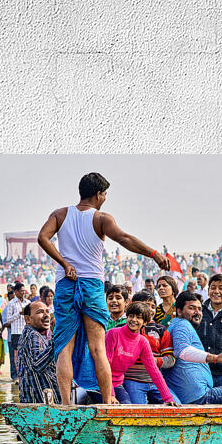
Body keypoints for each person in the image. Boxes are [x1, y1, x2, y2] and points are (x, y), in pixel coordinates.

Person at [36, 172, 170, 405]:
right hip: (91, 284)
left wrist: (65, 264)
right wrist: (154, 253)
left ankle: (66, 405)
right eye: (105, 194)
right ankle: (108, 400)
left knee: (64, 347)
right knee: (98, 347)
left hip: (66, 283)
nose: (105, 198)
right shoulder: (100, 218)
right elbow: (124, 238)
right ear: (98, 194)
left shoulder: (60, 214)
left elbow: (43, 238)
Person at [165, 291, 222, 405]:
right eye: (192, 308)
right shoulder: (182, 324)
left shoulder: (175, 325)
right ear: (179, 311)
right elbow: (182, 350)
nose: (197, 312)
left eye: (199, 309)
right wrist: (215, 358)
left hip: (196, 393)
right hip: (200, 397)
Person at [102, 302, 177, 405]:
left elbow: (154, 370)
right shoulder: (113, 334)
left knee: (128, 408)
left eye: (139, 317)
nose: (134, 320)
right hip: (100, 382)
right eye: (131, 316)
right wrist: (110, 394)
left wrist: (168, 398)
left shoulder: (142, 342)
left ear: (145, 322)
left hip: (116, 383)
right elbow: (105, 364)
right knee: (117, 409)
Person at [122, 291, 178, 404]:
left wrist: (153, 360)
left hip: (156, 381)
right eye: (146, 305)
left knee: (177, 406)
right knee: (139, 411)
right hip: (132, 380)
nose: (150, 310)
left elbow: (171, 359)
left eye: (153, 306)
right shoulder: (123, 330)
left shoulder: (161, 330)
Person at [17, 301, 60, 403]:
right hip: (39, 403)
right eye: (40, 312)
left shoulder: (32, 334)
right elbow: (37, 364)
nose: (46, 315)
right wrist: (55, 337)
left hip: (35, 401)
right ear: (28, 319)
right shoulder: (32, 335)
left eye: (47, 312)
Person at [1, 282, 29, 381]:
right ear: (16, 291)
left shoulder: (28, 302)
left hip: (26, 331)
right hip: (16, 332)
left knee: (26, 354)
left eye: (24, 291)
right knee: (16, 356)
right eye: (21, 291)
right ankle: (16, 376)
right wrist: (19, 314)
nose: (23, 293)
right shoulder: (11, 303)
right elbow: (8, 319)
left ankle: (26, 375)